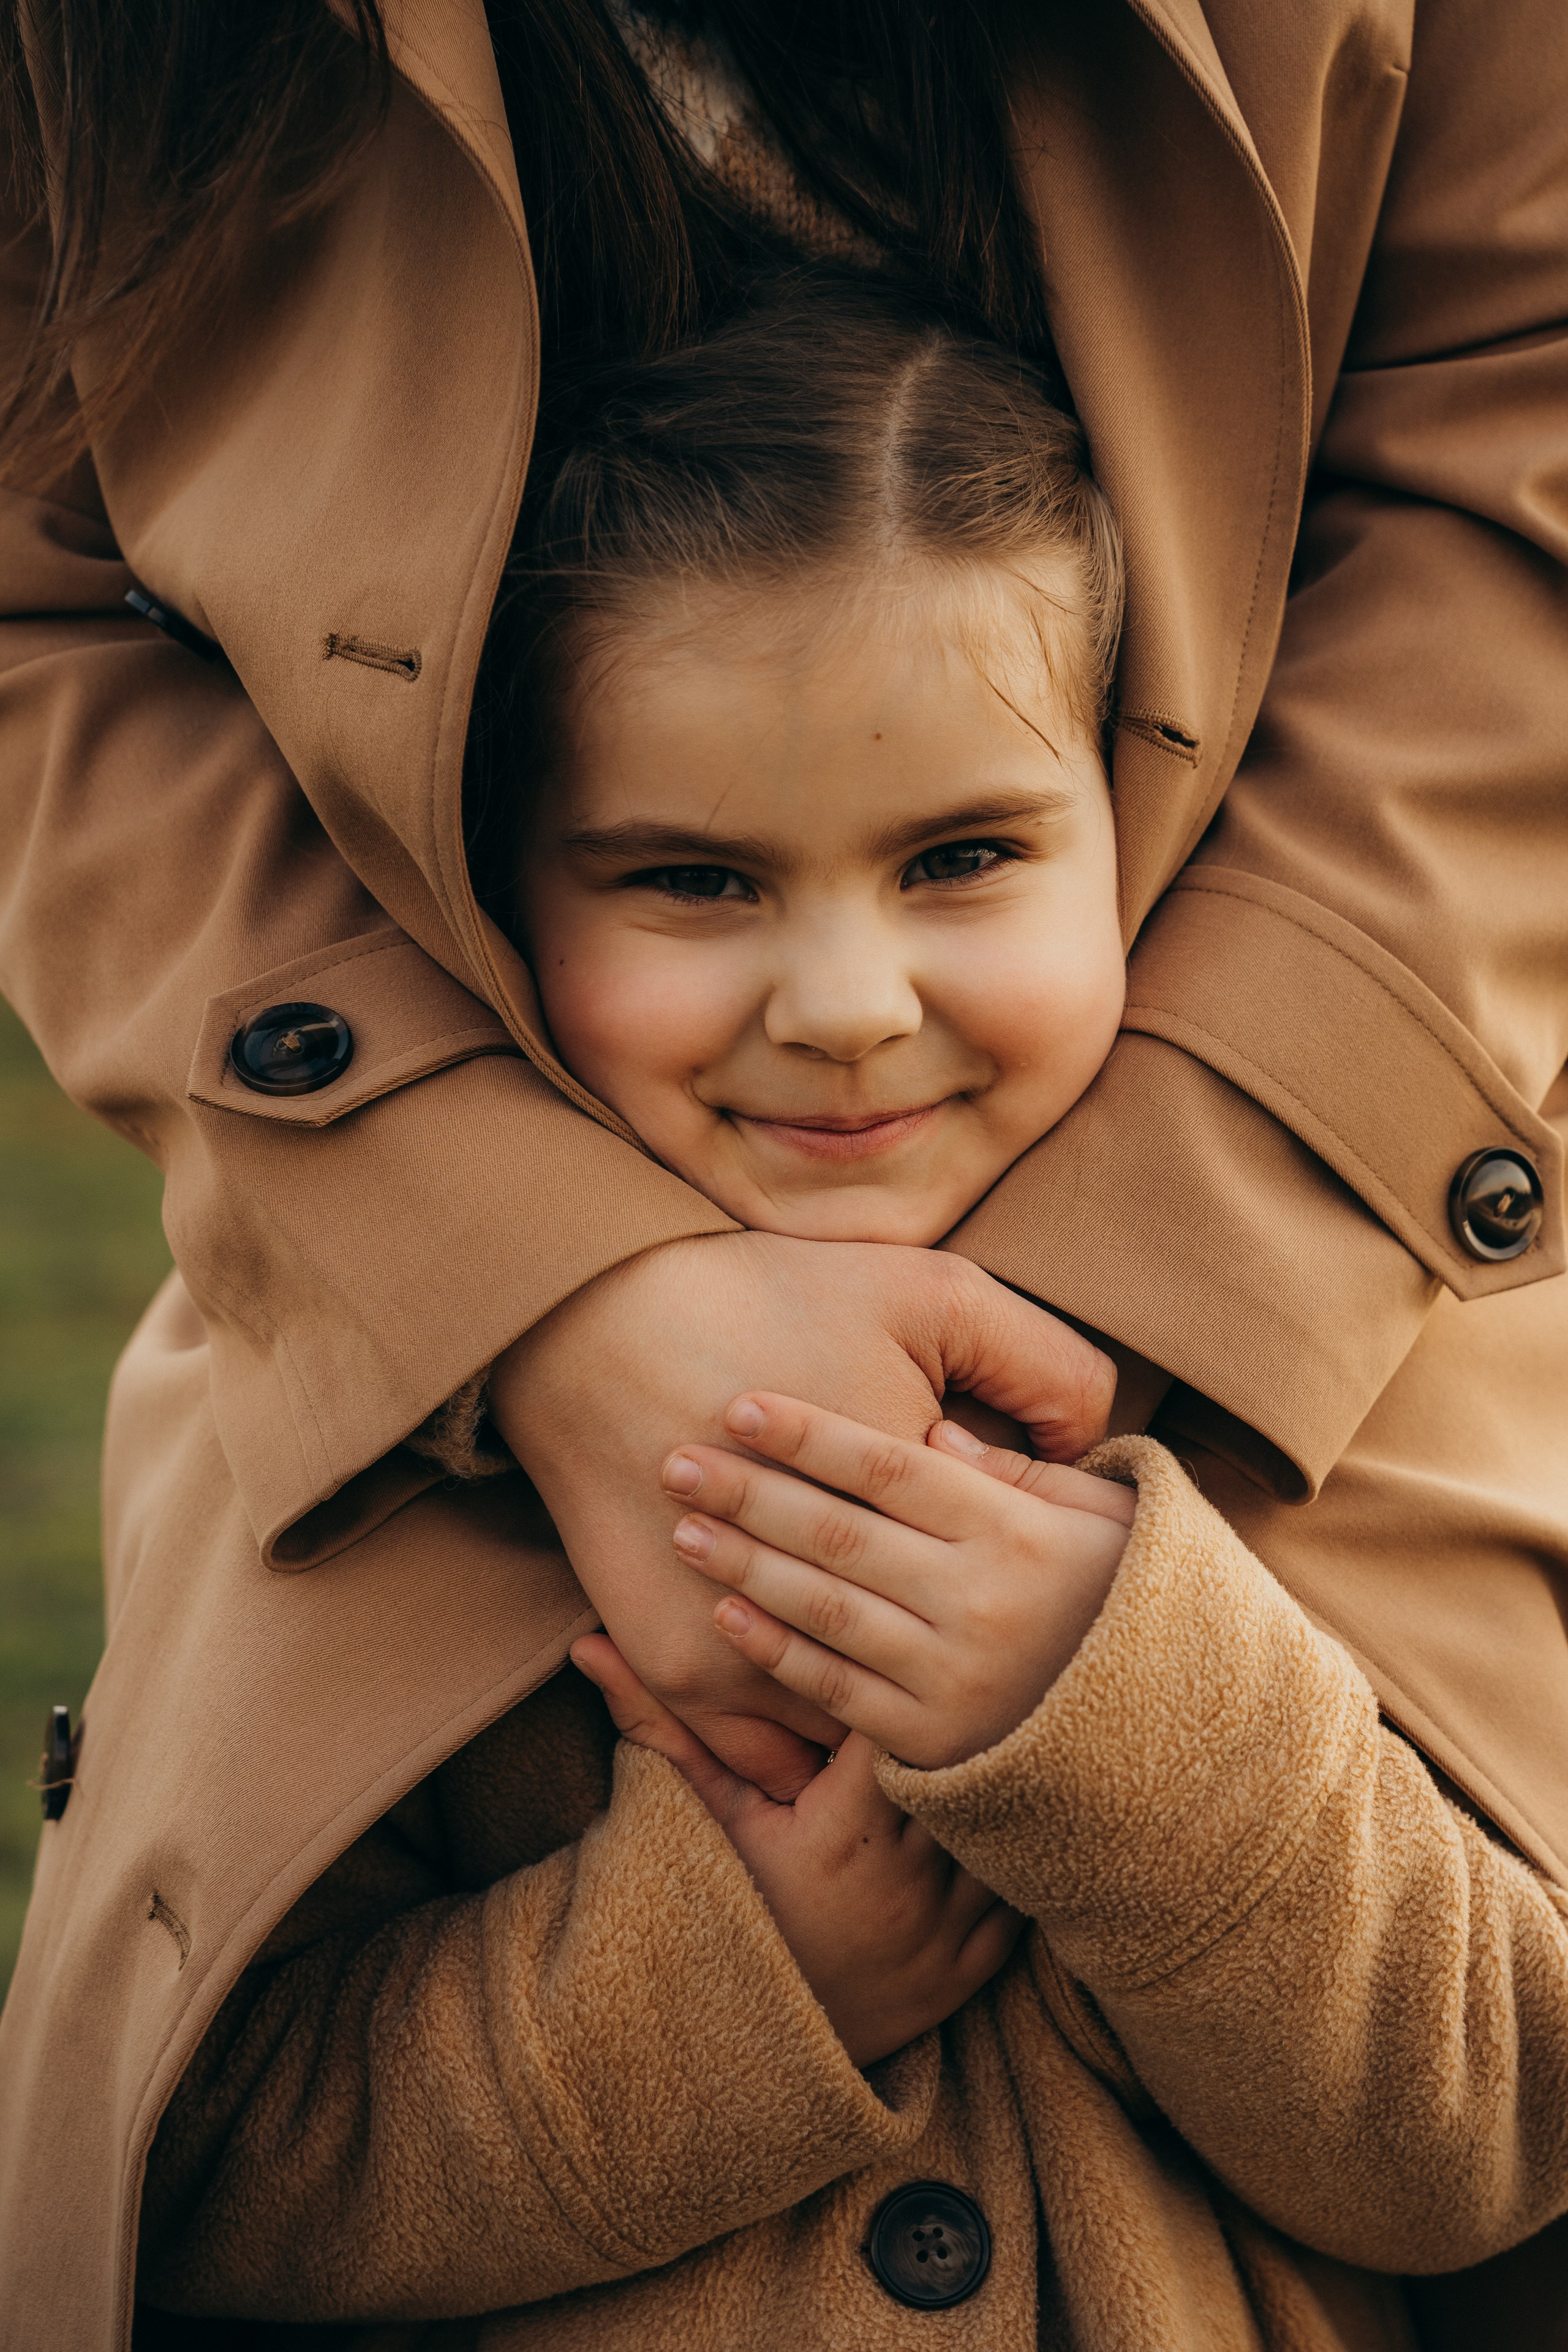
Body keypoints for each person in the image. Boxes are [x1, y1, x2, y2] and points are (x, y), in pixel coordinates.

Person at [0, 2, 1564, 2344]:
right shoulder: (350, 1506)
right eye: (693, 881)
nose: (843, 1007)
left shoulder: (1374, 1472)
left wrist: (1127, 1709)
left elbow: (1486, 2137)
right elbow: (199, 2197)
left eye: (963, 858)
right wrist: (730, 1983)